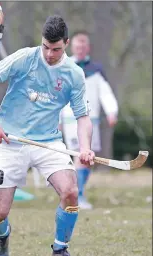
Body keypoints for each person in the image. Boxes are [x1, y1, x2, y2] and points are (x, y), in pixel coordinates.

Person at [0, 15, 95, 256]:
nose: (49, 54)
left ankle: (60, 251)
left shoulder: (74, 74)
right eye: (46, 47)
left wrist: (85, 147)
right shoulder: (25, 57)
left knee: (70, 192)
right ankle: (2, 236)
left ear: (66, 44)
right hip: (11, 141)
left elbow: (83, 118)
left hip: (48, 142)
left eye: (56, 49)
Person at [60, 31, 118, 210]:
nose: (80, 49)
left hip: (91, 120)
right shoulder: (65, 66)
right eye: (77, 46)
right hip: (72, 120)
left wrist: (111, 111)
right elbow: (58, 95)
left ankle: (75, 193)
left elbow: (105, 92)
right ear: (72, 46)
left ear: (88, 48)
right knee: (80, 156)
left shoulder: (96, 69)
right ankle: (77, 196)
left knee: (88, 159)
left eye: (83, 46)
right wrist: (57, 117)